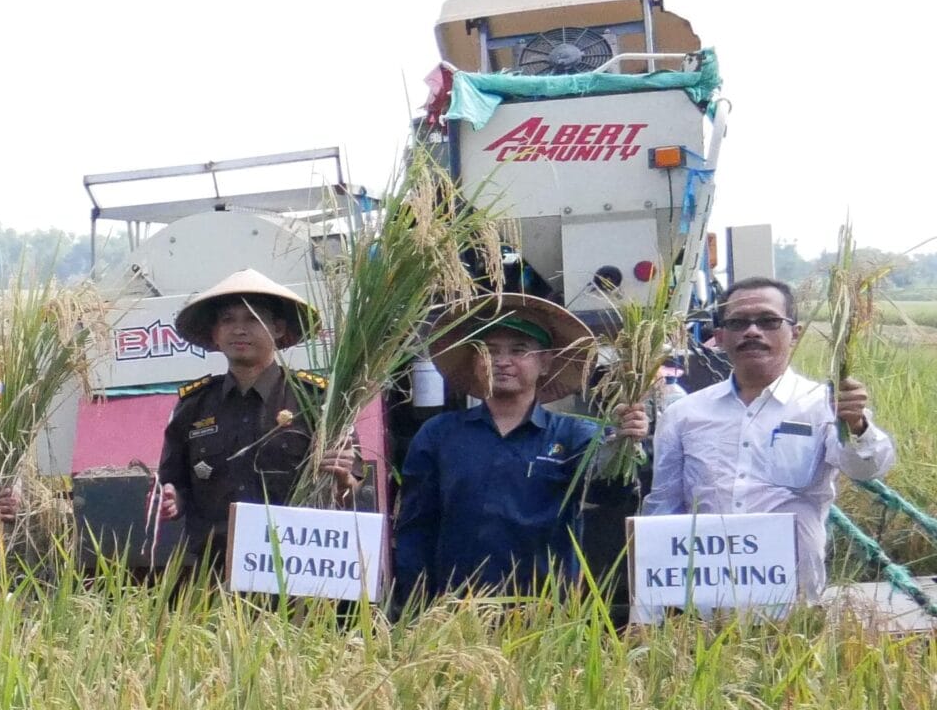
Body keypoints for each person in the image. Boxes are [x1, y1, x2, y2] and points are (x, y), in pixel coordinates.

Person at [644, 276, 895, 599]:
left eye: (768, 321)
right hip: (705, 595)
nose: (752, 331)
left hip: (793, 591)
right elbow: (663, 505)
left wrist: (856, 424)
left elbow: (867, 469)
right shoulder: (684, 414)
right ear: (719, 337)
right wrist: (654, 595)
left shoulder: (823, 406)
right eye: (738, 323)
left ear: (795, 333)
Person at [393, 294, 638, 603]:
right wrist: (413, 608)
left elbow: (610, 490)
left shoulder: (575, 435)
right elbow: (416, 528)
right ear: (475, 360)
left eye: (519, 350)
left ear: (546, 362)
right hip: (455, 614)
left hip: (546, 614)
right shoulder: (439, 435)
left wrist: (625, 445)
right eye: (489, 351)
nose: (502, 361)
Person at [154, 270, 336, 577]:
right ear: (214, 333)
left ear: (278, 328)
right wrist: (171, 498)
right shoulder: (193, 406)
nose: (239, 330)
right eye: (227, 320)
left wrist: (344, 475)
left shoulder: (316, 401)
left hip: (297, 568)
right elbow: (174, 482)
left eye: (252, 319)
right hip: (214, 574)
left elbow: (351, 480)